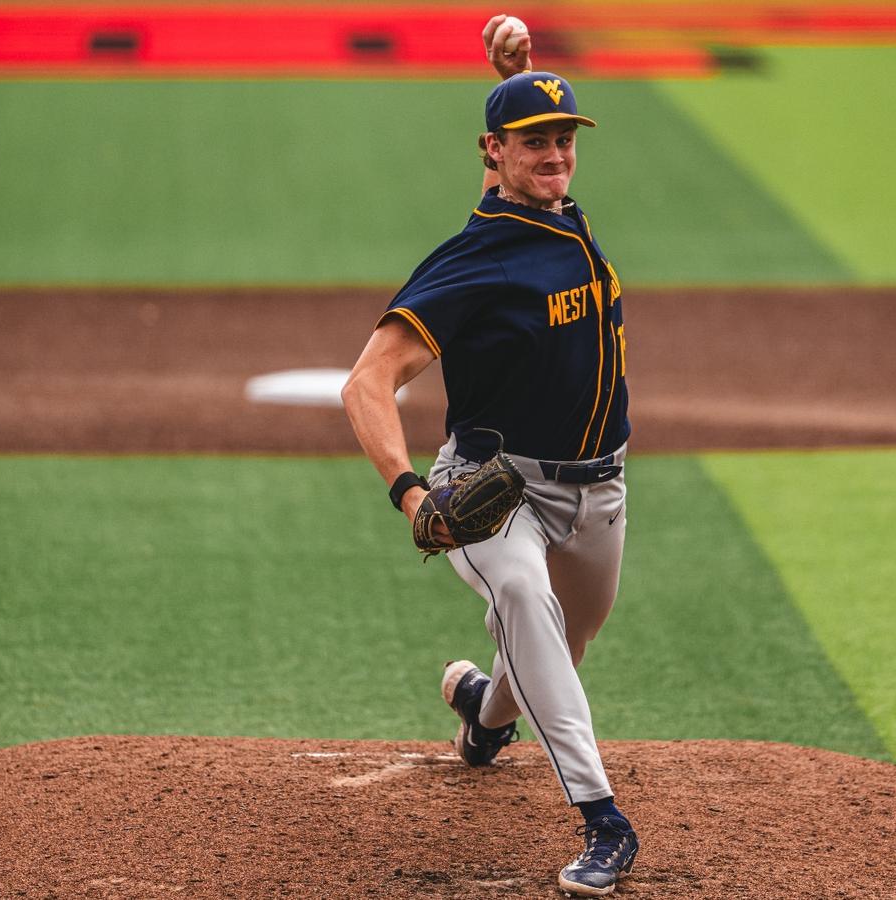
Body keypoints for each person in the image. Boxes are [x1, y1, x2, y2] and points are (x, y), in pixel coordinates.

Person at [340, 14, 640, 898]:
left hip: (602, 492)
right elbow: (367, 383)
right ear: (493, 150)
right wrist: (408, 494)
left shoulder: (558, 214)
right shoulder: (472, 263)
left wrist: (516, 76)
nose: (554, 154)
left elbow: (520, 180)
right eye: (532, 141)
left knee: (562, 638)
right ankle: (603, 819)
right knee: (520, 594)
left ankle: (483, 712)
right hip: (490, 485)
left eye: (562, 137)